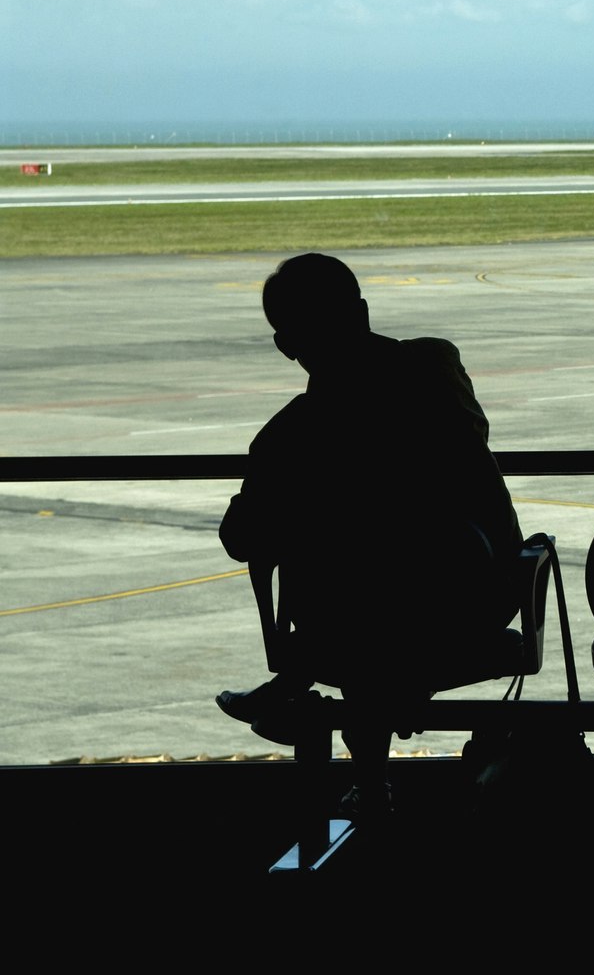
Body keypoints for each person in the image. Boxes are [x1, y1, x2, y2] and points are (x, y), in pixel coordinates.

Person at [214, 253, 524, 807]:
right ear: (360, 310)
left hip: (356, 628)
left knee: (350, 571)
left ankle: (358, 765)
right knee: (378, 560)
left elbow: (241, 538)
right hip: (473, 601)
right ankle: (328, 724)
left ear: (286, 344)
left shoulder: (291, 435)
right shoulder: (436, 369)